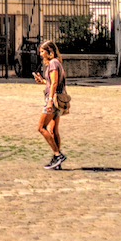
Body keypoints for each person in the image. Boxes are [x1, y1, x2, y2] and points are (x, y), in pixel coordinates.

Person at [33, 39, 68, 170]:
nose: (40, 54)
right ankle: (57, 162)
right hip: (58, 99)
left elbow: (54, 84)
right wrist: (42, 81)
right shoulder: (56, 63)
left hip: (53, 100)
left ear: (50, 51)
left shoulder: (53, 63)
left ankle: (57, 155)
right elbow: (52, 82)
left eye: (42, 51)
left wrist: (49, 101)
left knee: (41, 127)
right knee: (53, 130)